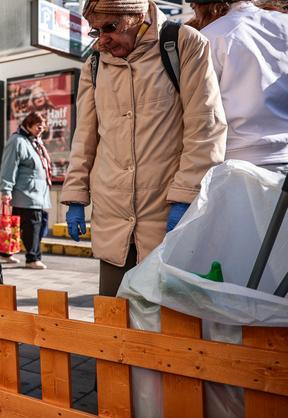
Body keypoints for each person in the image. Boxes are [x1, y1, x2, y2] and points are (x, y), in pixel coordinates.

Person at [60, 0, 227, 296]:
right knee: (114, 323)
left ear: (137, 16)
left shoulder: (184, 43)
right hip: (113, 220)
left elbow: (205, 127)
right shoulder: (94, 64)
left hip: (165, 217)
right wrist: (75, 195)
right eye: (96, 31)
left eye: (110, 27)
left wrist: (186, 196)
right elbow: (84, 136)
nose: (103, 39)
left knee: (167, 326)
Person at [187, 0, 288, 174]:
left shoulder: (209, 37)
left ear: (205, 6)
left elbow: (200, 110)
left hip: (240, 160)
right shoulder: (283, 23)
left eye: (194, 7)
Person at [0, 111, 52, 269]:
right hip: (26, 193)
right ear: (28, 125)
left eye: (43, 127)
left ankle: (6, 252)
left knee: (27, 224)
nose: (41, 129)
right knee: (32, 226)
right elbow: (9, 167)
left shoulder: (35, 141)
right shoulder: (17, 141)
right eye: (38, 126)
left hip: (38, 194)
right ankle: (33, 258)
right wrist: (6, 191)